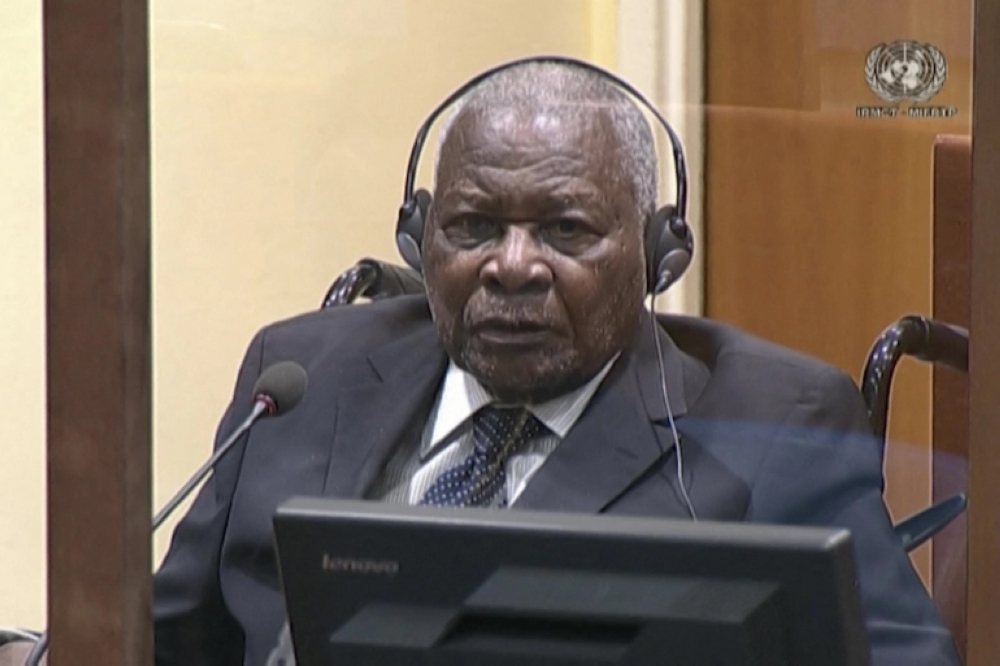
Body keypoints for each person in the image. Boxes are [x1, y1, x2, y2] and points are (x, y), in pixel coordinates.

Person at [153, 60, 960, 666]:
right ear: (419, 238)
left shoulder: (774, 421)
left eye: (566, 231)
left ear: (657, 253)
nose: (512, 266)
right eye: (473, 227)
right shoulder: (299, 379)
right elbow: (154, 641)